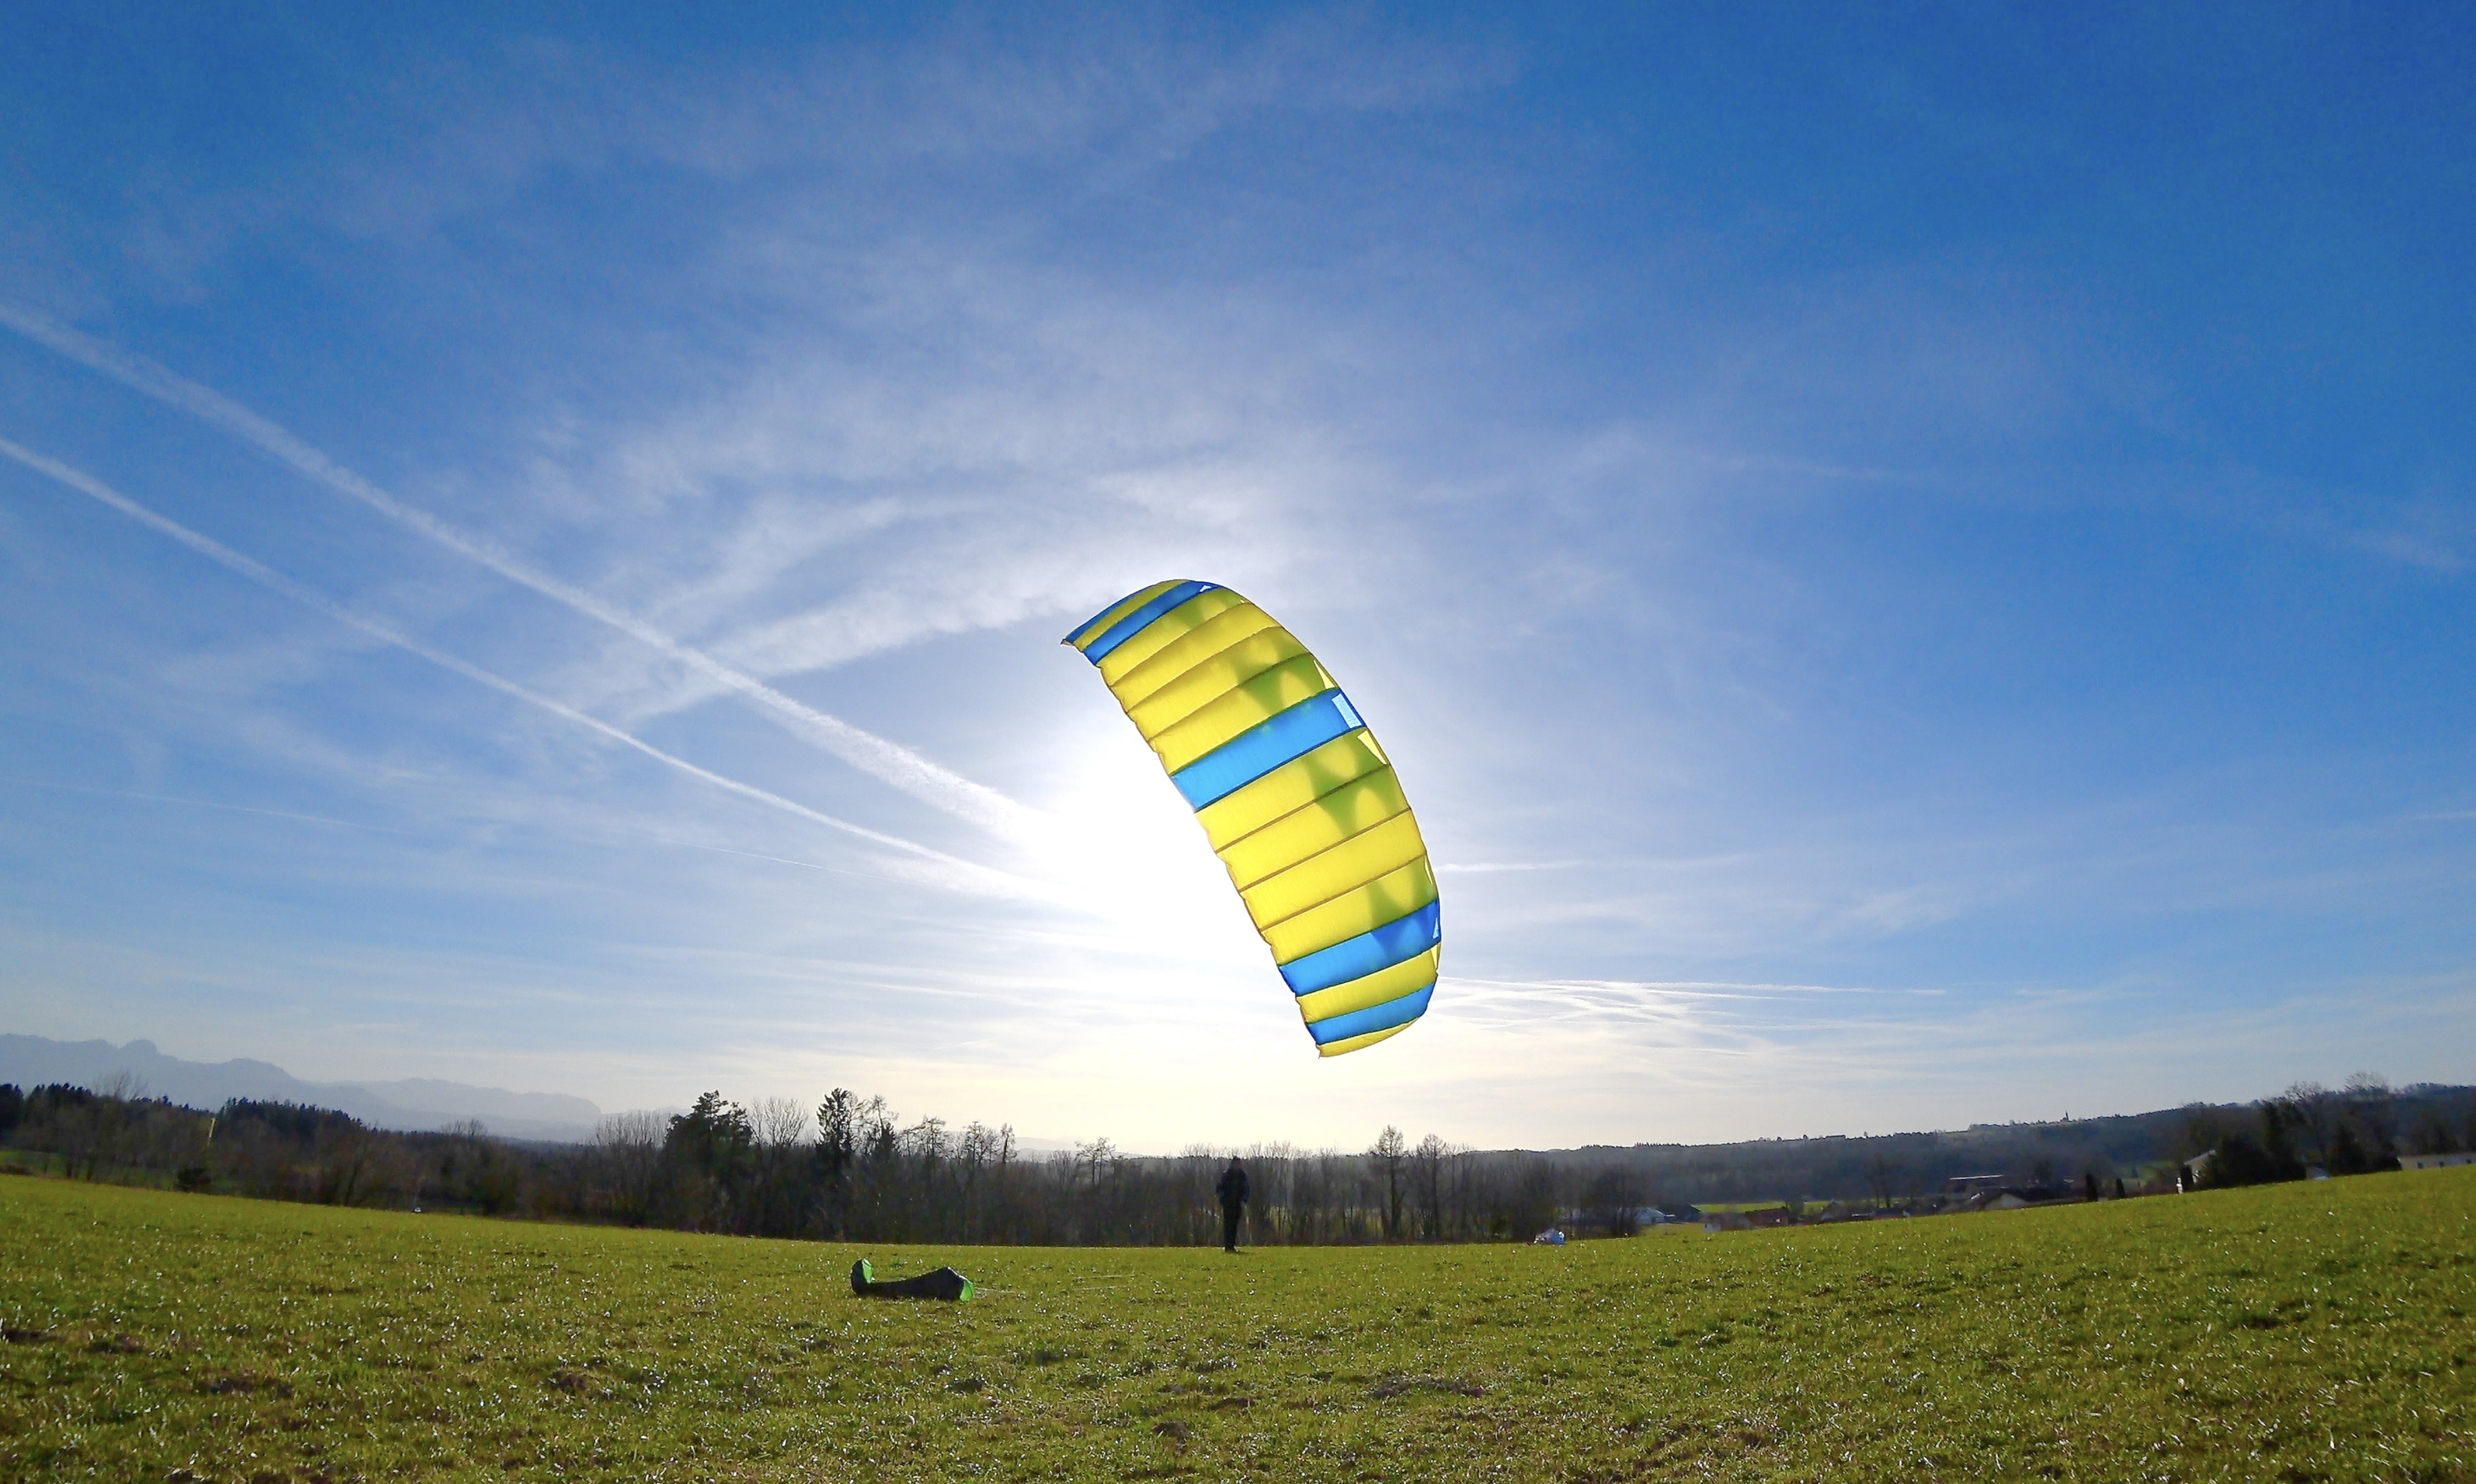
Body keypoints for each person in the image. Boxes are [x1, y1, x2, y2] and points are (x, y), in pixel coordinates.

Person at [1215, 1156, 1249, 1252]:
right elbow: (1219, 1188)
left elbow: (1246, 1189)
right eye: (1235, 1163)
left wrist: (1244, 1200)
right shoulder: (1226, 1175)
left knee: (1234, 1225)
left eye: (1238, 1164)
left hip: (1237, 1204)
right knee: (1228, 1225)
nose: (1237, 1165)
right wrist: (1222, 1199)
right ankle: (1227, 1246)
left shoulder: (1242, 1176)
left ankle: (1232, 1246)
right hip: (1228, 1204)